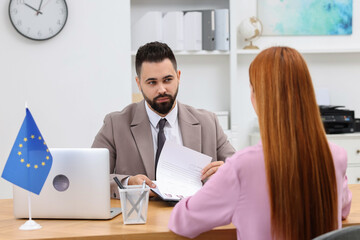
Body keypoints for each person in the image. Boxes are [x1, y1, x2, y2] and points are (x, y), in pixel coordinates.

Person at [168, 47, 352, 240]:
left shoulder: (241, 167)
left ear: (257, 98)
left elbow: (182, 221)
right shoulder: (335, 156)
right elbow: (343, 209)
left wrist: (218, 183)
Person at [92, 41, 235, 198]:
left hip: (194, 215)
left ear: (178, 77)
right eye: (152, 82)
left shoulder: (208, 122)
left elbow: (241, 170)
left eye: (167, 80)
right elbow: (91, 176)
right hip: (142, 217)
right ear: (139, 84)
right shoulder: (115, 124)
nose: (161, 89)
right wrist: (128, 183)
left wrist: (226, 173)